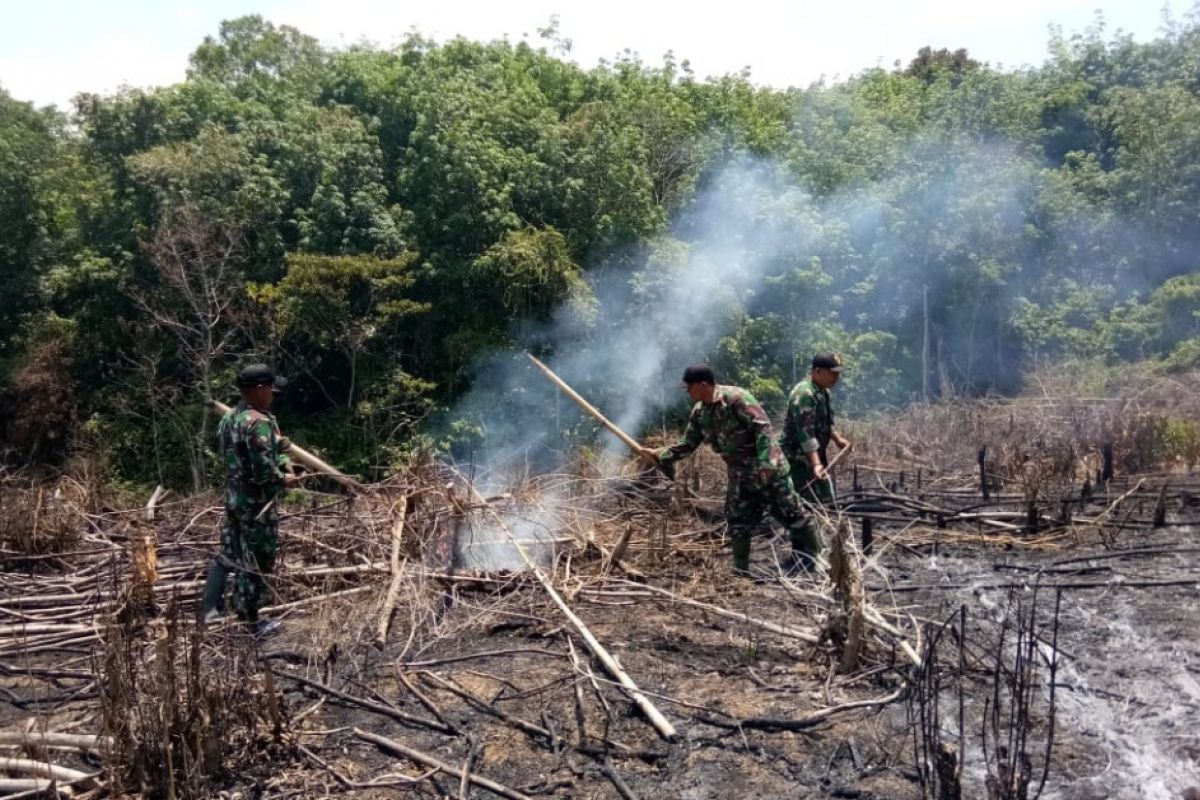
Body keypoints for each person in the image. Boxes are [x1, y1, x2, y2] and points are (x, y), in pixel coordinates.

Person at [637, 363, 822, 576]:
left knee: (794, 514)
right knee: (737, 520)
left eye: (690, 387)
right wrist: (659, 454)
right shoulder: (700, 413)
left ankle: (819, 563)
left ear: (703, 385)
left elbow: (762, 428)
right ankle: (740, 573)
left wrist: (766, 463)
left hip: (768, 470)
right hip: (740, 474)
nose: (688, 392)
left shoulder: (736, 398)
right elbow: (687, 444)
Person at [201, 364, 299, 636]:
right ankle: (249, 622)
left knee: (229, 553)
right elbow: (263, 473)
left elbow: (241, 454)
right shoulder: (258, 422)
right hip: (257, 506)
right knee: (256, 560)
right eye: (270, 389)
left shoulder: (230, 418)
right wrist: (285, 478)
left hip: (234, 500)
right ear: (259, 389)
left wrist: (281, 454)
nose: (273, 394)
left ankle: (212, 611)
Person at [782, 353, 853, 504]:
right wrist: (816, 464)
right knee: (801, 503)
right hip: (797, 459)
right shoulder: (804, 393)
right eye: (833, 373)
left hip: (814, 456)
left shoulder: (823, 392)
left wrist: (838, 439)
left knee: (825, 499)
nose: (837, 377)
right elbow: (806, 435)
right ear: (818, 371)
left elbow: (826, 423)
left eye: (838, 373)